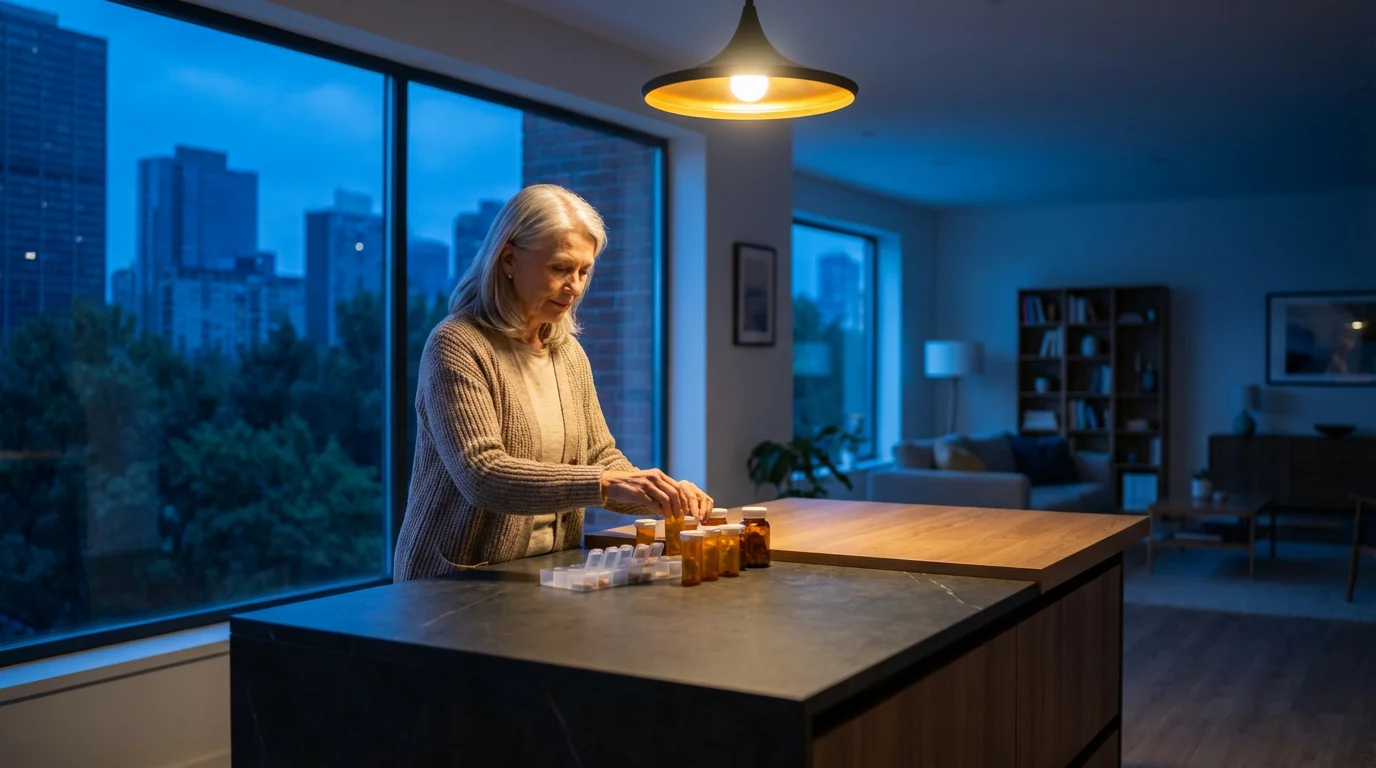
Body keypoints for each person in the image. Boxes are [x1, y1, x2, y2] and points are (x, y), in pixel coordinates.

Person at [395, 184, 712, 581]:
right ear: (508, 258)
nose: (576, 286)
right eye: (561, 268)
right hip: (452, 583)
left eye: (584, 271)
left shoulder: (568, 354)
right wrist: (607, 483)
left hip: (542, 574)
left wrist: (661, 494)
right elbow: (483, 474)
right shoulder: (457, 344)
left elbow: (600, 457)